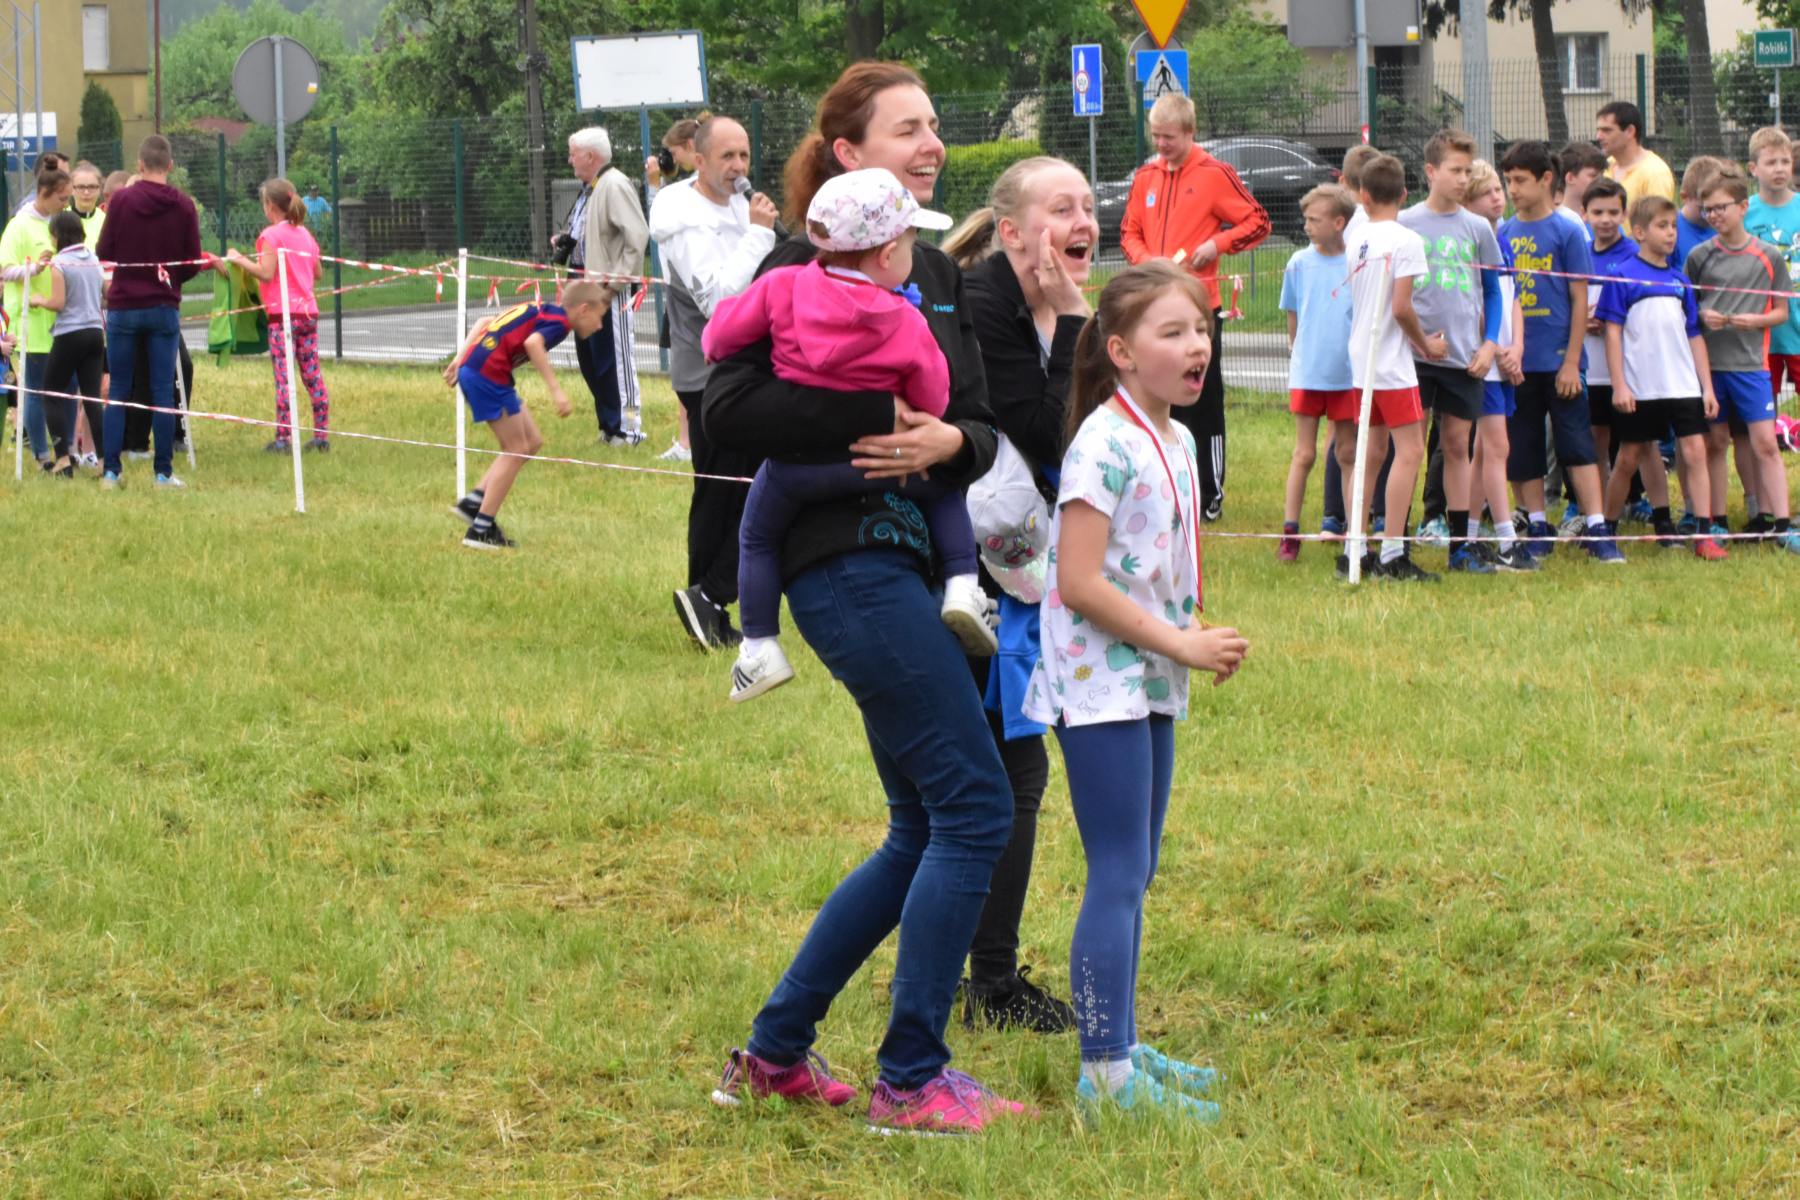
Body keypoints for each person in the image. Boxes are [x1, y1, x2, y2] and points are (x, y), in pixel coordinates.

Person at [704, 61, 1025, 1135]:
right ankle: (912, 1082)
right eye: (908, 128)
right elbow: (729, 411)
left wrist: (948, 442)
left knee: (922, 823)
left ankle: (773, 1055)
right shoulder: (800, 264)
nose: (933, 143)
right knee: (973, 808)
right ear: (848, 153)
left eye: (935, 124)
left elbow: (977, 423)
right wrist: (874, 417)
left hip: (918, 563)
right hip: (844, 562)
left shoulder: (934, 269)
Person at [1022, 260, 1247, 1121]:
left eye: (1202, 330)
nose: (1197, 347)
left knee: (1138, 868)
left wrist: (1181, 639)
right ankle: (1105, 1077)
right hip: (1100, 680)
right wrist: (1182, 642)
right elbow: (1078, 582)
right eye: (1173, 332)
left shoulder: (1177, 439)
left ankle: (1120, 1040)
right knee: (1117, 870)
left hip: (1147, 671)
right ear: (1120, 351)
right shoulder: (1102, 444)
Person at [703, 168, 993, 702]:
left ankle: (759, 647)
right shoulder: (905, 317)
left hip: (798, 468)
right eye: (911, 242)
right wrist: (920, 421)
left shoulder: (783, 286)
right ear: (886, 255)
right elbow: (935, 392)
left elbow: (721, 333)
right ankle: (962, 587)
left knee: (757, 536)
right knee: (943, 491)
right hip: (889, 463)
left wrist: (715, 347)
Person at [944, 154, 1094, 1034]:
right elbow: (1046, 430)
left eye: (1088, 206)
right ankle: (986, 982)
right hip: (964, 571)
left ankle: (977, 975)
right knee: (999, 775)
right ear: (1010, 232)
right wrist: (1074, 322)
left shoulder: (1057, 304)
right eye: (1060, 208)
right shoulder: (982, 303)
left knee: (998, 774)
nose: (1083, 221)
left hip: (1029, 571)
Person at [652, 115, 780, 650]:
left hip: (748, 367)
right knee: (739, 490)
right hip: (710, 374)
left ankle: (707, 600)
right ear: (697, 159)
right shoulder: (681, 215)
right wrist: (759, 235)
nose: (738, 167)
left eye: (744, 155)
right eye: (727, 157)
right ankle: (710, 594)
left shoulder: (738, 206)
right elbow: (718, 302)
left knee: (735, 490)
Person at [1119, 91, 1270, 522]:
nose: (1160, 145)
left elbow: (1257, 221)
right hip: (1152, 304)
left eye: (1168, 137)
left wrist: (1216, 244)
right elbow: (1129, 233)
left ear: (1190, 132)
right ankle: (1160, 486)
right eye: (1155, 136)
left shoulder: (1214, 174)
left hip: (1200, 308)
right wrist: (1150, 264)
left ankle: (1208, 492)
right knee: (1153, 393)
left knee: (1200, 398)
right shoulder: (1145, 177)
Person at [1499, 141, 1622, 562]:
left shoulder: (1567, 231)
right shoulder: (1503, 233)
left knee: (1577, 445)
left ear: (1546, 179)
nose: (1513, 189)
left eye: (1520, 180)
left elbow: (1578, 297)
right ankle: (1537, 523)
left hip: (1560, 362)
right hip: (1519, 365)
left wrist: (1571, 362)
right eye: (1508, 180)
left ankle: (1597, 526)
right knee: (1524, 446)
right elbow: (1502, 298)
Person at [1399, 129, 1505, 573]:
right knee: (1408, 448)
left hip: (1464, 358)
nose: (1463, 179)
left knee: (1458, 445)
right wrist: (1417, 339)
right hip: (1415, 359)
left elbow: (1493, 291)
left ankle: (1460, 545)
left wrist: (1490, 344)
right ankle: (1396, 541)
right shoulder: (1405, 223)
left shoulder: (1477, 228)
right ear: (1431, 171)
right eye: (1455, 171)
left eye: (1467, 171)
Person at [1597, 195, 1725, 559]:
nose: (1671, 233)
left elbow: (1694, 335)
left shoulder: (1679, 280)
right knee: (1628, 458)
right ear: (1639, 232)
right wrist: (1620, 385)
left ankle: (1703, 535)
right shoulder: (1621, 277)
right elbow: (1612, 334)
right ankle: (1605, 531)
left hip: (1683, 385)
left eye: (1673, 227)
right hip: (1642, 387)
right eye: (1662, 226)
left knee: (1695, 451)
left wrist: (1706, 387)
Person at [443, 281, 607, 550]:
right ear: (583, 309)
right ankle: (480, 530)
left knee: (532, 441)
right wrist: (556, 391)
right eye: (599, 317)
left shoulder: (545, 312)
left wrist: (460, 359)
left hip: (482, 372)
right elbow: (533, 343)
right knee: (516, 448)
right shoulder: (560, 323)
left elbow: (486, 321)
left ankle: (474, 502)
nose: (599, 326)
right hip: (487, 375)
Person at [1342, 153, 1441, 581]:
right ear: (1404, 194)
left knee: (1371, 452)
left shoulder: (1356, 238)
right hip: (1391, 362)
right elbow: (1401, 307)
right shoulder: (1406, 240)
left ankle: (1355, 547)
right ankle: (1392, 552)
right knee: (1411, 450)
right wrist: (1426, 344)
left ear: (1363, 196)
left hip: (1362, 359)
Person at [1689, 171, 1799, 554]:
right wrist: (1702, 315)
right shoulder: (1700, 256)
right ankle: (1717, 521)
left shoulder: (1767, 255)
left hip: (1752, 366)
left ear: (1742, 207)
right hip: (1711, 368)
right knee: (1716, 442)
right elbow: (1687, 308)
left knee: (1765, 443)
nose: (1714, 215)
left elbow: (1781, 311)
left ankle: (1781, 525)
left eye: (1721, 207)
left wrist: (1756, 320)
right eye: (1708, 209)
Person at [96, 136, 200, 489]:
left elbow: (104, 250)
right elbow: (192, 261)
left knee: (119, 389)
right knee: (162, 392)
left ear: (139, 165)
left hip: (124, 305)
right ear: (169, 165)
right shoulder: (184, 205)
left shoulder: (122, 200)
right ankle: (163, 472)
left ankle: (112, 471)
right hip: (163, 306)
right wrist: (170, 279)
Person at [212, 178, 331, 453]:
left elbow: (266, 273)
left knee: (284, 378)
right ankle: (321, 435)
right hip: (308, 312)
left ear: (269, 205)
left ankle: (284, 439)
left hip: (282, 316)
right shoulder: (305, 234)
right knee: (312, 374)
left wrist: (239, 259)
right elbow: (317, 273)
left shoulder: (271, 236)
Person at [1462, 160, 1537, 572]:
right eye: (1486, 192)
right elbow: (1473, 305)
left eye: (1498, 189)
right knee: (1496, 447)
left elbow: (1513, 300)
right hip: (1484, 362)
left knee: (1483, 451)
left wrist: (1517, 347)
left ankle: (1470, 535)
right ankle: (1507, 540)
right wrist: (1496, 349)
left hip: (1506, 357)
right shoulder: (1471, 243)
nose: (1498, 197)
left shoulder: (1501, 240)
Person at [1277, 185, 1357, 563]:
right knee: (1304, 453)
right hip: (1308, 375)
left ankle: (1354, 535)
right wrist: (1298, 355)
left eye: (1314, 219)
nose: (1307, 226)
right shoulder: (1298, 262)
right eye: (1306, 219)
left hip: (1346, 376)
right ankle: (1290, 533)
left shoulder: (1355, 262)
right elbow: (1293, 315)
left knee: (1347, 453)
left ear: (1339, 223)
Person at [562, 127, 648, 447]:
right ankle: (609, 426)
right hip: (584, 286)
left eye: (573, 153)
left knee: (615, 360)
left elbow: (636, 236)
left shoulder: (614, 184)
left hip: (607, 290)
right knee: (591, 361)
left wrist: (613, 285)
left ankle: (627, 429)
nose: (569, 159)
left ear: (590, 156)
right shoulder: (590, 189)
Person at [1321, 144, 1385, 534]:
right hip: (1369, 340)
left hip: (1346, 337)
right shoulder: (1374, 227)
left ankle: (1335, 515)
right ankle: (1371, 514)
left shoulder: (1339, 226)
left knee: (1342, 432)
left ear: (1345, 181)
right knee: (1372, 432)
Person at [1, 167, 71, 468]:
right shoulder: (18, 226)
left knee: (68, 388)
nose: (65, 205)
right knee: (36, 389)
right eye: (62, 198)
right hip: (30, 321)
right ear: (44, 194)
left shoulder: (60, 222)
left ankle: (67, 450)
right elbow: (5, 270)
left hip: (61, 320)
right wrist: (34, 269)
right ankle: (42, 455)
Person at [647, 115, 705, 463]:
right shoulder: (688, 189)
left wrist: (655, 185)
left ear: (689, 147)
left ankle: (688, 442)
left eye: (673, 152)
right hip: (684, 287)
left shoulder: (685, 192)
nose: (672, 160)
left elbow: (658, 224)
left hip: (686, 290)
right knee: (687, 368)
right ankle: (687, 440)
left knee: (687, 370)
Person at [33, 211, 106, 476]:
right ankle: (104, 462)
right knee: (92, 398)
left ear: (57, 236)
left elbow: (58, 303)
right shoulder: (94, 260)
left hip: (70, 334)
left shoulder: (60, 263)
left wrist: (39, 300)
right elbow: (106, 295)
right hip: (95, 332)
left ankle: (63, 458)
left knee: (51, 393)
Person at [1580, 177, 1637, 501]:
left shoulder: (1635, 255)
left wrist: (1612, 319)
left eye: (1613, 212)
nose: (1605, 219)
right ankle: (1596, 506)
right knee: (1595, 436)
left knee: (1637, 441)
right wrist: (1581, 322)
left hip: (1628, 368)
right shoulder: (1580, 254)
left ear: (1624, 214)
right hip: (1591, 368)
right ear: (1584, 214)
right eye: (1598, 212)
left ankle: (1636, 500)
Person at [1597, 101, 1676, 211]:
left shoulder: (1655, 173)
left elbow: (1659, 218)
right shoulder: (1607, 165)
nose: (1599, 137)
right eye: (1598, 130)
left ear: (1630, 131)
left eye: (1607, 130)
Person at [1558, 140, 1607, 227]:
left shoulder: (1608, 221)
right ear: (1570, 178)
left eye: (1602, 175)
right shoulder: (1555, 222)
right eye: (1593, 176)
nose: (1600, 181)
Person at [68, 162, 105, 247]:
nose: (86, 192)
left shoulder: (106, 221)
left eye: (92, 187)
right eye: (81, 187)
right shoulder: (61, 219)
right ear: (71, 189)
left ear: (99, 189)